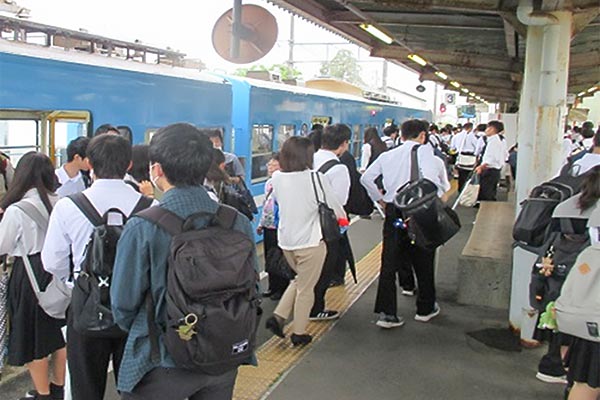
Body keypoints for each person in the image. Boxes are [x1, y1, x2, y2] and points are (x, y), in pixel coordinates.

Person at [110, 124, 257, 399]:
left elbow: (123, 304)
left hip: (159, 361)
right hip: (222, 356)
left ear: (157, 170)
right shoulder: (236, 221)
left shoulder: (143, 226)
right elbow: (252, 288)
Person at [42, 134, 154, 400]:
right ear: (128, 164)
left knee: (84, 387)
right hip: (137, 310)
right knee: (137, 388)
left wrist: (76, 282)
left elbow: (53, 262)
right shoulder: (152, 207)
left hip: (86, 306)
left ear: (90, 163)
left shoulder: (67, 206)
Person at [361, 119, 450, 328]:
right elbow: (431, 181)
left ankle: (387, 314)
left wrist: (381, 199)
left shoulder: (387, 155)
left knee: (389, 260)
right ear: (422, 135)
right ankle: (425, 308)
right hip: (417, 212)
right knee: (423, 256)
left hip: (393, 211)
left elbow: (366, 179)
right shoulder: (425, 151)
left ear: (401, 135)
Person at [265, 136, 346, 346]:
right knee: (306, 289)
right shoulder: (316, 178)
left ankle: (278, 317)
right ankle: (299, 333)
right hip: (310, 242)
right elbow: (336, 207)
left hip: (286, 242)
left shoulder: (277, 178)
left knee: (300, 280)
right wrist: (342, 219)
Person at [0, 152, 66, 400]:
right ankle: (59, 387)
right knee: (58, 333)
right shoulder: (63, 201)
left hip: (29, 274)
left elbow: (2, 245)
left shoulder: (17, 210)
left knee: (32, 337)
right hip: (57, 272)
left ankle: (42, 393)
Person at [310, 124, 351, 320]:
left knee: (307, 267)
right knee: (325, 266)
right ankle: (316, 308)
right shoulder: (339, 168)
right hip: (325, 226)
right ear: (343, 144)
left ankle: (302, 304)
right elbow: (340, 201)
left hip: (304, 222)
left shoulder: (309, 159)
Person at [257, 153, 289, 300]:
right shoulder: (268, 183)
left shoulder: (285, 182)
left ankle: (281, 287)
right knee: (270, 257)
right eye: (269, 164)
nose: (270, 167)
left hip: (280, 226)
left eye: (273, 164)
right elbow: (266, 205)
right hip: (269, 226)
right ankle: (272, 286)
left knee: (279, 257)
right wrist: (261, 224)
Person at [475, 120, 507, 202]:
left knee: (487, 194)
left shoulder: (494, 141)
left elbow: (490, 158)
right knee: (489, 192)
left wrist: (481, 167)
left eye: (487, 128)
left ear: (492, 129)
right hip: (493, 170)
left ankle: (486, 211)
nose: (486, 130)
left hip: (489, 171)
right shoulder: (496, 140)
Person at [451, 122, 478, 192]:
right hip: (470, 158)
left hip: (460, 157)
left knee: (461, 176)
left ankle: (460, 190)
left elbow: (452, 147)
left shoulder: (456, 136)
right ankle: (466, 192)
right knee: (468, 176)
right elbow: (477, 147)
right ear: (470, 128)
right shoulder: (471, 136)